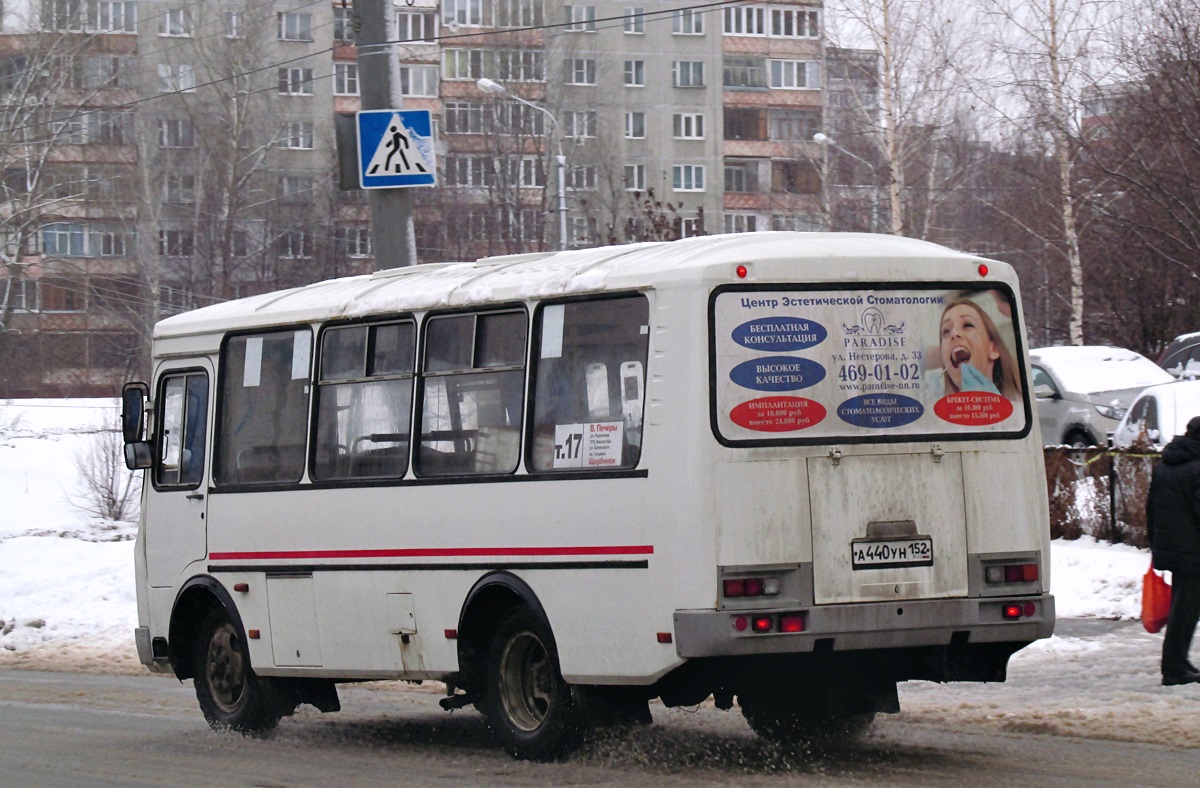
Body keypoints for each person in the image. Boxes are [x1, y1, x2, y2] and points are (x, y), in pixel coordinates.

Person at [1145, 416, 1200, 685]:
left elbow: (1151, 507)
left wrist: (1156, 544)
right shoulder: (1196, 468)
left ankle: (1178, 662)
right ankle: (1174, 668)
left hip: (1173, 548)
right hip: (1192, 551)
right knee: (1186, 610)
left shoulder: (1167, 464)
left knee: (1184, 607)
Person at [938, 298, 1022, 400]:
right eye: (946, 331)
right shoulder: (934, 413)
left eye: (968, 325)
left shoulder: (1019, 411)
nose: (954, 333)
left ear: (994, 349)